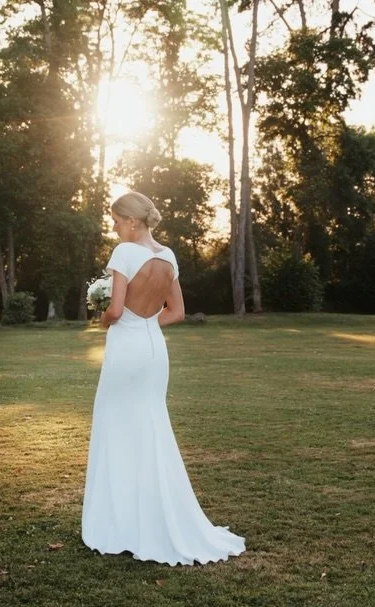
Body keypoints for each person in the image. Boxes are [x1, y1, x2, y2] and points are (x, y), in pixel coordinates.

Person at [81, 191, 245, 566]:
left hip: (126, 350)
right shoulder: (168, 256)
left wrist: (102, 319)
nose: (114, 226)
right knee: (151, 425)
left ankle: (120, 521)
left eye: (116, 220)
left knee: (115, 426)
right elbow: (177, 312)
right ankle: (156, 515)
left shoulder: (124, 253)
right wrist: (145, 326)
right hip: (154, 350)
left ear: (132, 221)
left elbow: (116, 310)